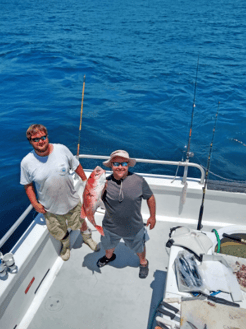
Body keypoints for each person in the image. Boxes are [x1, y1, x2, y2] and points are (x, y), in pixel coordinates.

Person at [20, 124, 100, 261]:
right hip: (50, 207)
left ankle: (87, 238)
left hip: (72, 200)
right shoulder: (26, 162)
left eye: (43, 137)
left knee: (81, 222)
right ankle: (66, 245)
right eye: (35, 139)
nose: (41, 141)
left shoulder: (61, 149)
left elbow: (76, 165)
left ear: (47, 137)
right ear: (30, 141)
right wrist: (34, 203)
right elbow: (28, 186)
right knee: (58, 230)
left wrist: (85, 181)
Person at [97, 150, 156, 279]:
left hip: (134, 227)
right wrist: (99, 189)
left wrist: (152, 216)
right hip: (110, 226)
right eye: (116, 164)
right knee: (108, 246)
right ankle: (109, 257)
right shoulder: (104, 183)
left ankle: (143, 262)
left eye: (123, 163)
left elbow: (150, 197)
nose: (120, 167)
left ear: (128, 165)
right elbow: (94, 201)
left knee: (139, 248)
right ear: (111, 165)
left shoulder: (139, 181)